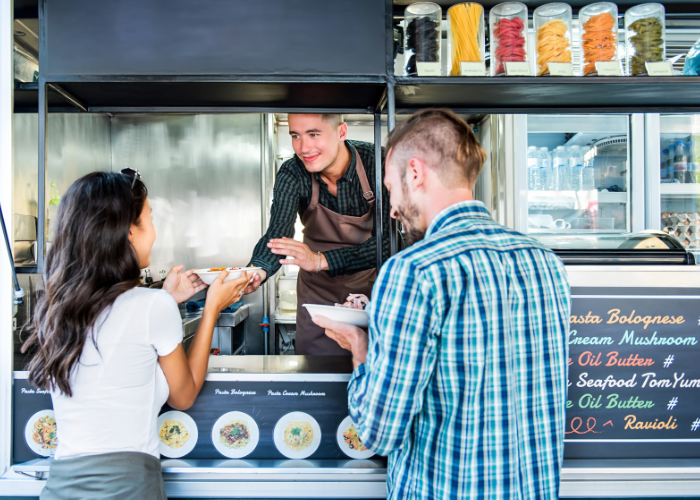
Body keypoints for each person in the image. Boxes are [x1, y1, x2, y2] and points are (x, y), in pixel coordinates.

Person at [314, 109, 571, 499]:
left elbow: (378, 432)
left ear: (415, 173)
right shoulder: (546, 262)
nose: (394, 208)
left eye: (391, 188)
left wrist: (360, 348)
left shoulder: (414, 271)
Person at [22, 170, 252, 500]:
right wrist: (212, 308)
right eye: (150, 219)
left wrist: (168, 301)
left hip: (61, 487)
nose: (155, 233)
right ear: (130, 232)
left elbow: (121, 338)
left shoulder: (56, 310)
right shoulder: (151, 307)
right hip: (127, 489)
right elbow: (183, 396)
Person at [244, 114, 390, 355]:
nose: (303, 148)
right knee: (315, 372)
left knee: (372, 364)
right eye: (295, 136)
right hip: (317, 297)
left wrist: (320, 260)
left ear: (341, 132)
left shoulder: (378, 162)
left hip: (372, 293)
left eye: (313, 134)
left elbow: (390, 243)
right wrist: (256, 271)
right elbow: (278, 232)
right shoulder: (293, 172)